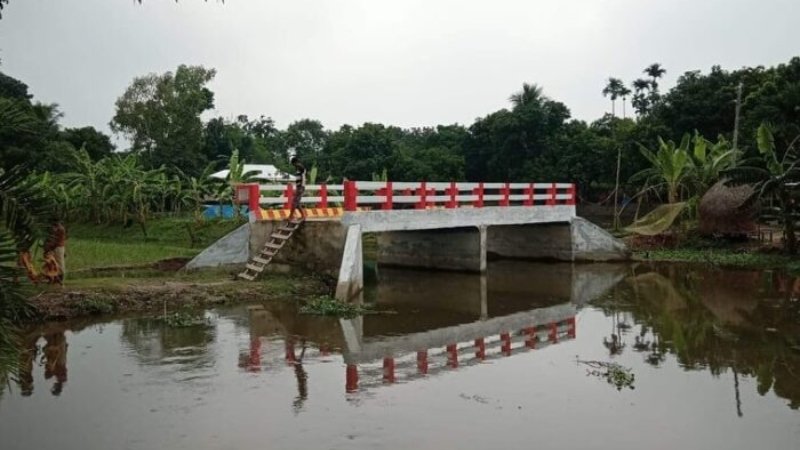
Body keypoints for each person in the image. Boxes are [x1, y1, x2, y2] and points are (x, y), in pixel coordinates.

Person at [43, 220, 67, 285]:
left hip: (58, 247)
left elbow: (55, 240)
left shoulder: (59, 229)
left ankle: (59, 278)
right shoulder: (58, 228)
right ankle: (54, 278)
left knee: (59, 264)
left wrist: (47, 247)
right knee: (52, 263)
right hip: (56, 247)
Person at [288, 156, 307, 221]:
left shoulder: (300, 167)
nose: (294, 166)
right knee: (297, 203)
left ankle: (291, 216)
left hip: (300, 187)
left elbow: (302, 168)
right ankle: (303, 216)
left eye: (293, 164)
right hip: (299, 187)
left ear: (294, 163)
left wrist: (297, 164)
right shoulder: (298, 169)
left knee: (294, 202)